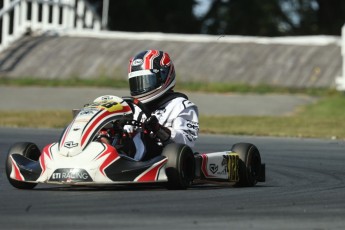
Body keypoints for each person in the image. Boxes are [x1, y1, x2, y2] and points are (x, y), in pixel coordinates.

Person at [124, 49, 199, 161]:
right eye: (137, 82)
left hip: (162, 158)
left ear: (163, 76)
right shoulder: (134, 107)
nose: (141, 87)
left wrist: (159, 130)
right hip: (133, 152)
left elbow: (186, 141)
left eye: (146, 81)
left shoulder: (181, 106)